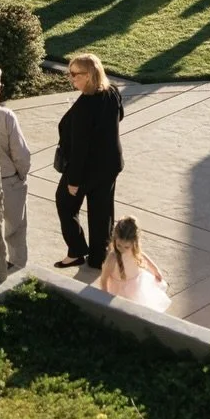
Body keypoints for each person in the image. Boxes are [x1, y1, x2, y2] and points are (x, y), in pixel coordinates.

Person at [54, 53, 124, 271]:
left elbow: (80, 148)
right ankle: (99, 258)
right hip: (110, 165)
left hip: (86, 169)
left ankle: (76, 251)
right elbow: (119, 116)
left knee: (65, 203)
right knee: (102, 212)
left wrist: (73, 180)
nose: (71, 78)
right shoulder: (111, 92)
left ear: (90, 74)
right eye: (70, 73)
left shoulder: (85, 106)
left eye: (75, 74)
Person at [0, 63, 32, 268]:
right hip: (9, 181)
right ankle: (17, 271)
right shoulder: (5, 116)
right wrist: (21, 175)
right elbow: (21, 154)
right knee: (16, 231)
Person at [96, 215, 171, 312]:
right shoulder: (112, 258)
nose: (122, 249)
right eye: (119, 245)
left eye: (126, 247)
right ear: (115, 238)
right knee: (123, 311)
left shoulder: (134, 250)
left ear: (134, 242)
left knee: (141, 308)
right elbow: (104, 278)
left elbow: (142, 256)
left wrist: (155, 270)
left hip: (136, 285)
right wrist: (105, 296)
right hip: (119, 290)